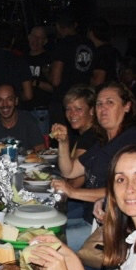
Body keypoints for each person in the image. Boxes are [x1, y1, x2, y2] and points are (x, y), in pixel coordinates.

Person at [52, 81, 136, 252]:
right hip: (90, 219)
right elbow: (70, 170)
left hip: (111, 229)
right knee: (44, 227)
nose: (103, 109)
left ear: (127, 106)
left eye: (110, 103)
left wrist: (73, 192)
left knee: (45, 243)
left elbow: (122, 190)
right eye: (99, 104)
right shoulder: (104, 140)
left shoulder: (131, 141)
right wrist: (63, 142)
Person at [50, 85, 98, 220]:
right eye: (68, 109)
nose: (72, 114)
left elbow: (75, 183)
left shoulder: (90, 138)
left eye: (78, 109)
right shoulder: (83, 135)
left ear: (92, 110)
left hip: (87, 205)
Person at [0, 84, 44, 152]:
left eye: (9, 99)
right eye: (0, 100)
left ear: (16, 101)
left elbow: (41, 151)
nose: (5, 104)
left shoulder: (27, 120)